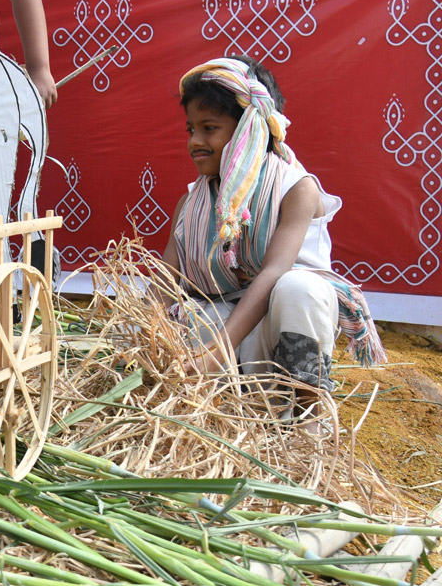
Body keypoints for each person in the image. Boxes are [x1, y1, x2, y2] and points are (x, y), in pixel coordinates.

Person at [160, 55, 385, 423]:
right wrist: (136, 331)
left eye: (209, 128)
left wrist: (214, 355)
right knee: (190, 314)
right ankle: (229, 412)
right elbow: (165, 282)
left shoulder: (297, 189)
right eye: (191, 129)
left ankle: (304, 417)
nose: (195, 142)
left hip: (273, 326)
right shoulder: (192, 200)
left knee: (297, 286)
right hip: (228, 333)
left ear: (248, 129)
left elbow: (273, 273)